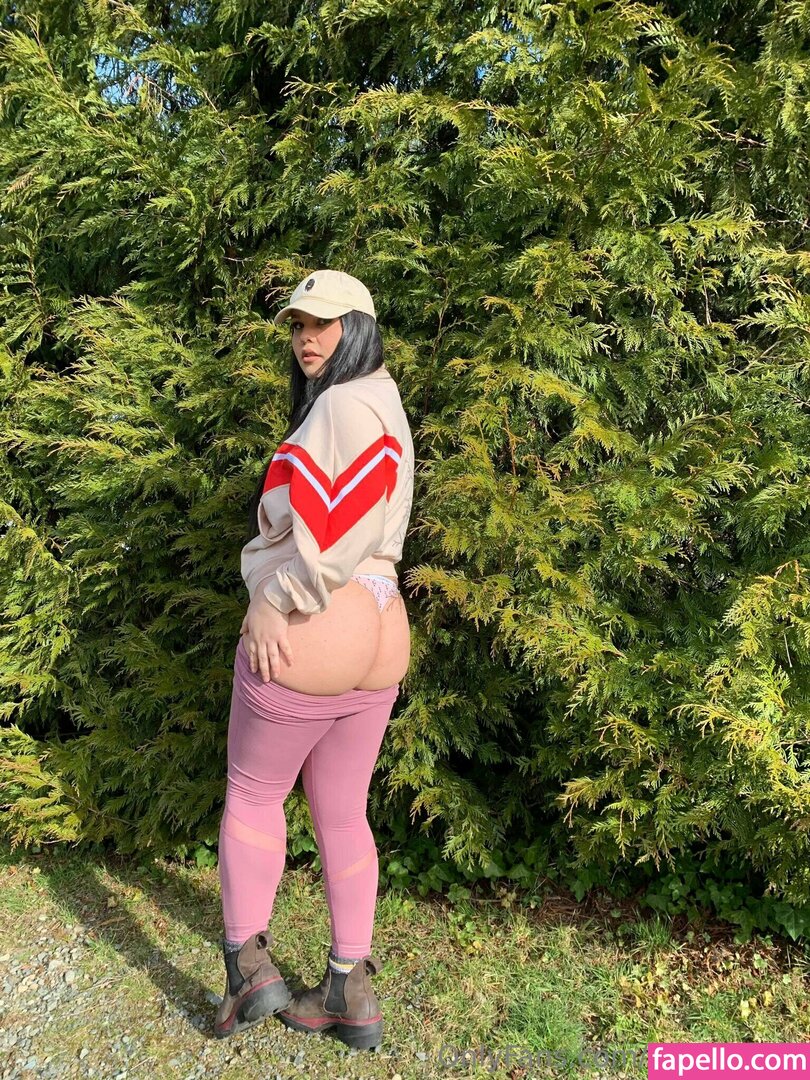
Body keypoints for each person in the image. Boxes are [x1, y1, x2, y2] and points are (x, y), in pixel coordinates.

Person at [214, 269, 415, 1052]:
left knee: (253, 793)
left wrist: (276, 597)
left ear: (358, 327)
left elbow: (329, 531)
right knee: (341, 811)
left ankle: (248, 971)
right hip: (382, 625)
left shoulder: (339, 405)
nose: (306, 337)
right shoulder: (384, 400)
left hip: (318, 619)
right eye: (298, 324)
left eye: (323, 323)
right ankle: (346, 988)